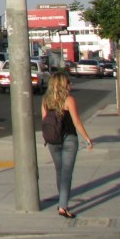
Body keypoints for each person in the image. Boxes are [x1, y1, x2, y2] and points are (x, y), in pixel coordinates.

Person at [42, 72, 93, 218]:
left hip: (52, 140)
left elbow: (45, 121)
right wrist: (87, 138)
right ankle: (63, 206)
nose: (70, 84)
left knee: (59, 171)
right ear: (64, 84)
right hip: (69, 139)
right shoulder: (69, 99)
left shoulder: (46, 100)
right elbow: (77, 122)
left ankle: (62, 201)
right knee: (66, 173)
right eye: (68, 82)